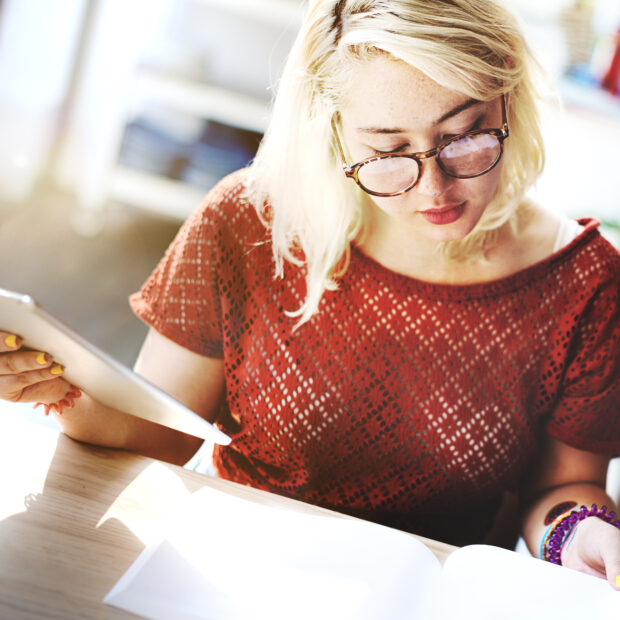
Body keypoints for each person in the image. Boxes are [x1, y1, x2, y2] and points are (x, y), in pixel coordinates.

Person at [1, 0, 619, 588]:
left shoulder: (587, 284)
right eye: (388, 151)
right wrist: (58, 388)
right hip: (231, 580)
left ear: (509, 100)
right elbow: (164, 433)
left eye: (465, 135)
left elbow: (560, 490)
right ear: (334, 132)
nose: (433, 187)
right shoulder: (247, 224)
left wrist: (582, 534)